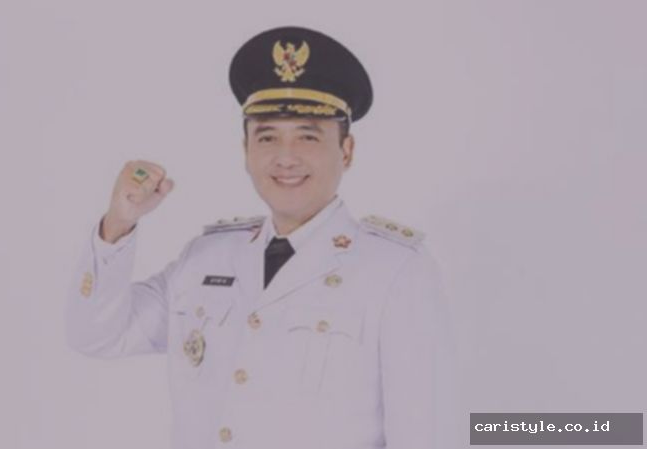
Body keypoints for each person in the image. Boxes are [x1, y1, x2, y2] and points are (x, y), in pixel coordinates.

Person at [65, 26, 458, 449]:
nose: (285, 157)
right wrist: (119, 222)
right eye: (267, 136)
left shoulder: (395, 270)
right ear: (246, 150)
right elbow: (98, 335)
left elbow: (426, 432)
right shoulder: (207, 258)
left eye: (308, 136)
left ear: (346, 151)